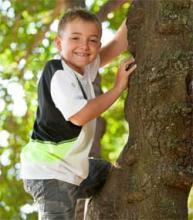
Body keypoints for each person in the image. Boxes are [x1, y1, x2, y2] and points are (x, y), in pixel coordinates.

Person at [20, 7, 137, 220]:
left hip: (75, 170)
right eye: (76, 38)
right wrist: (117, 88)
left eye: (93, 40)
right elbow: (80, 115)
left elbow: (119, 43)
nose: (84, 46)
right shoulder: (58, 73)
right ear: (59, 43)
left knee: (107, 173)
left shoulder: (83, 70)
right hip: (50, 174)